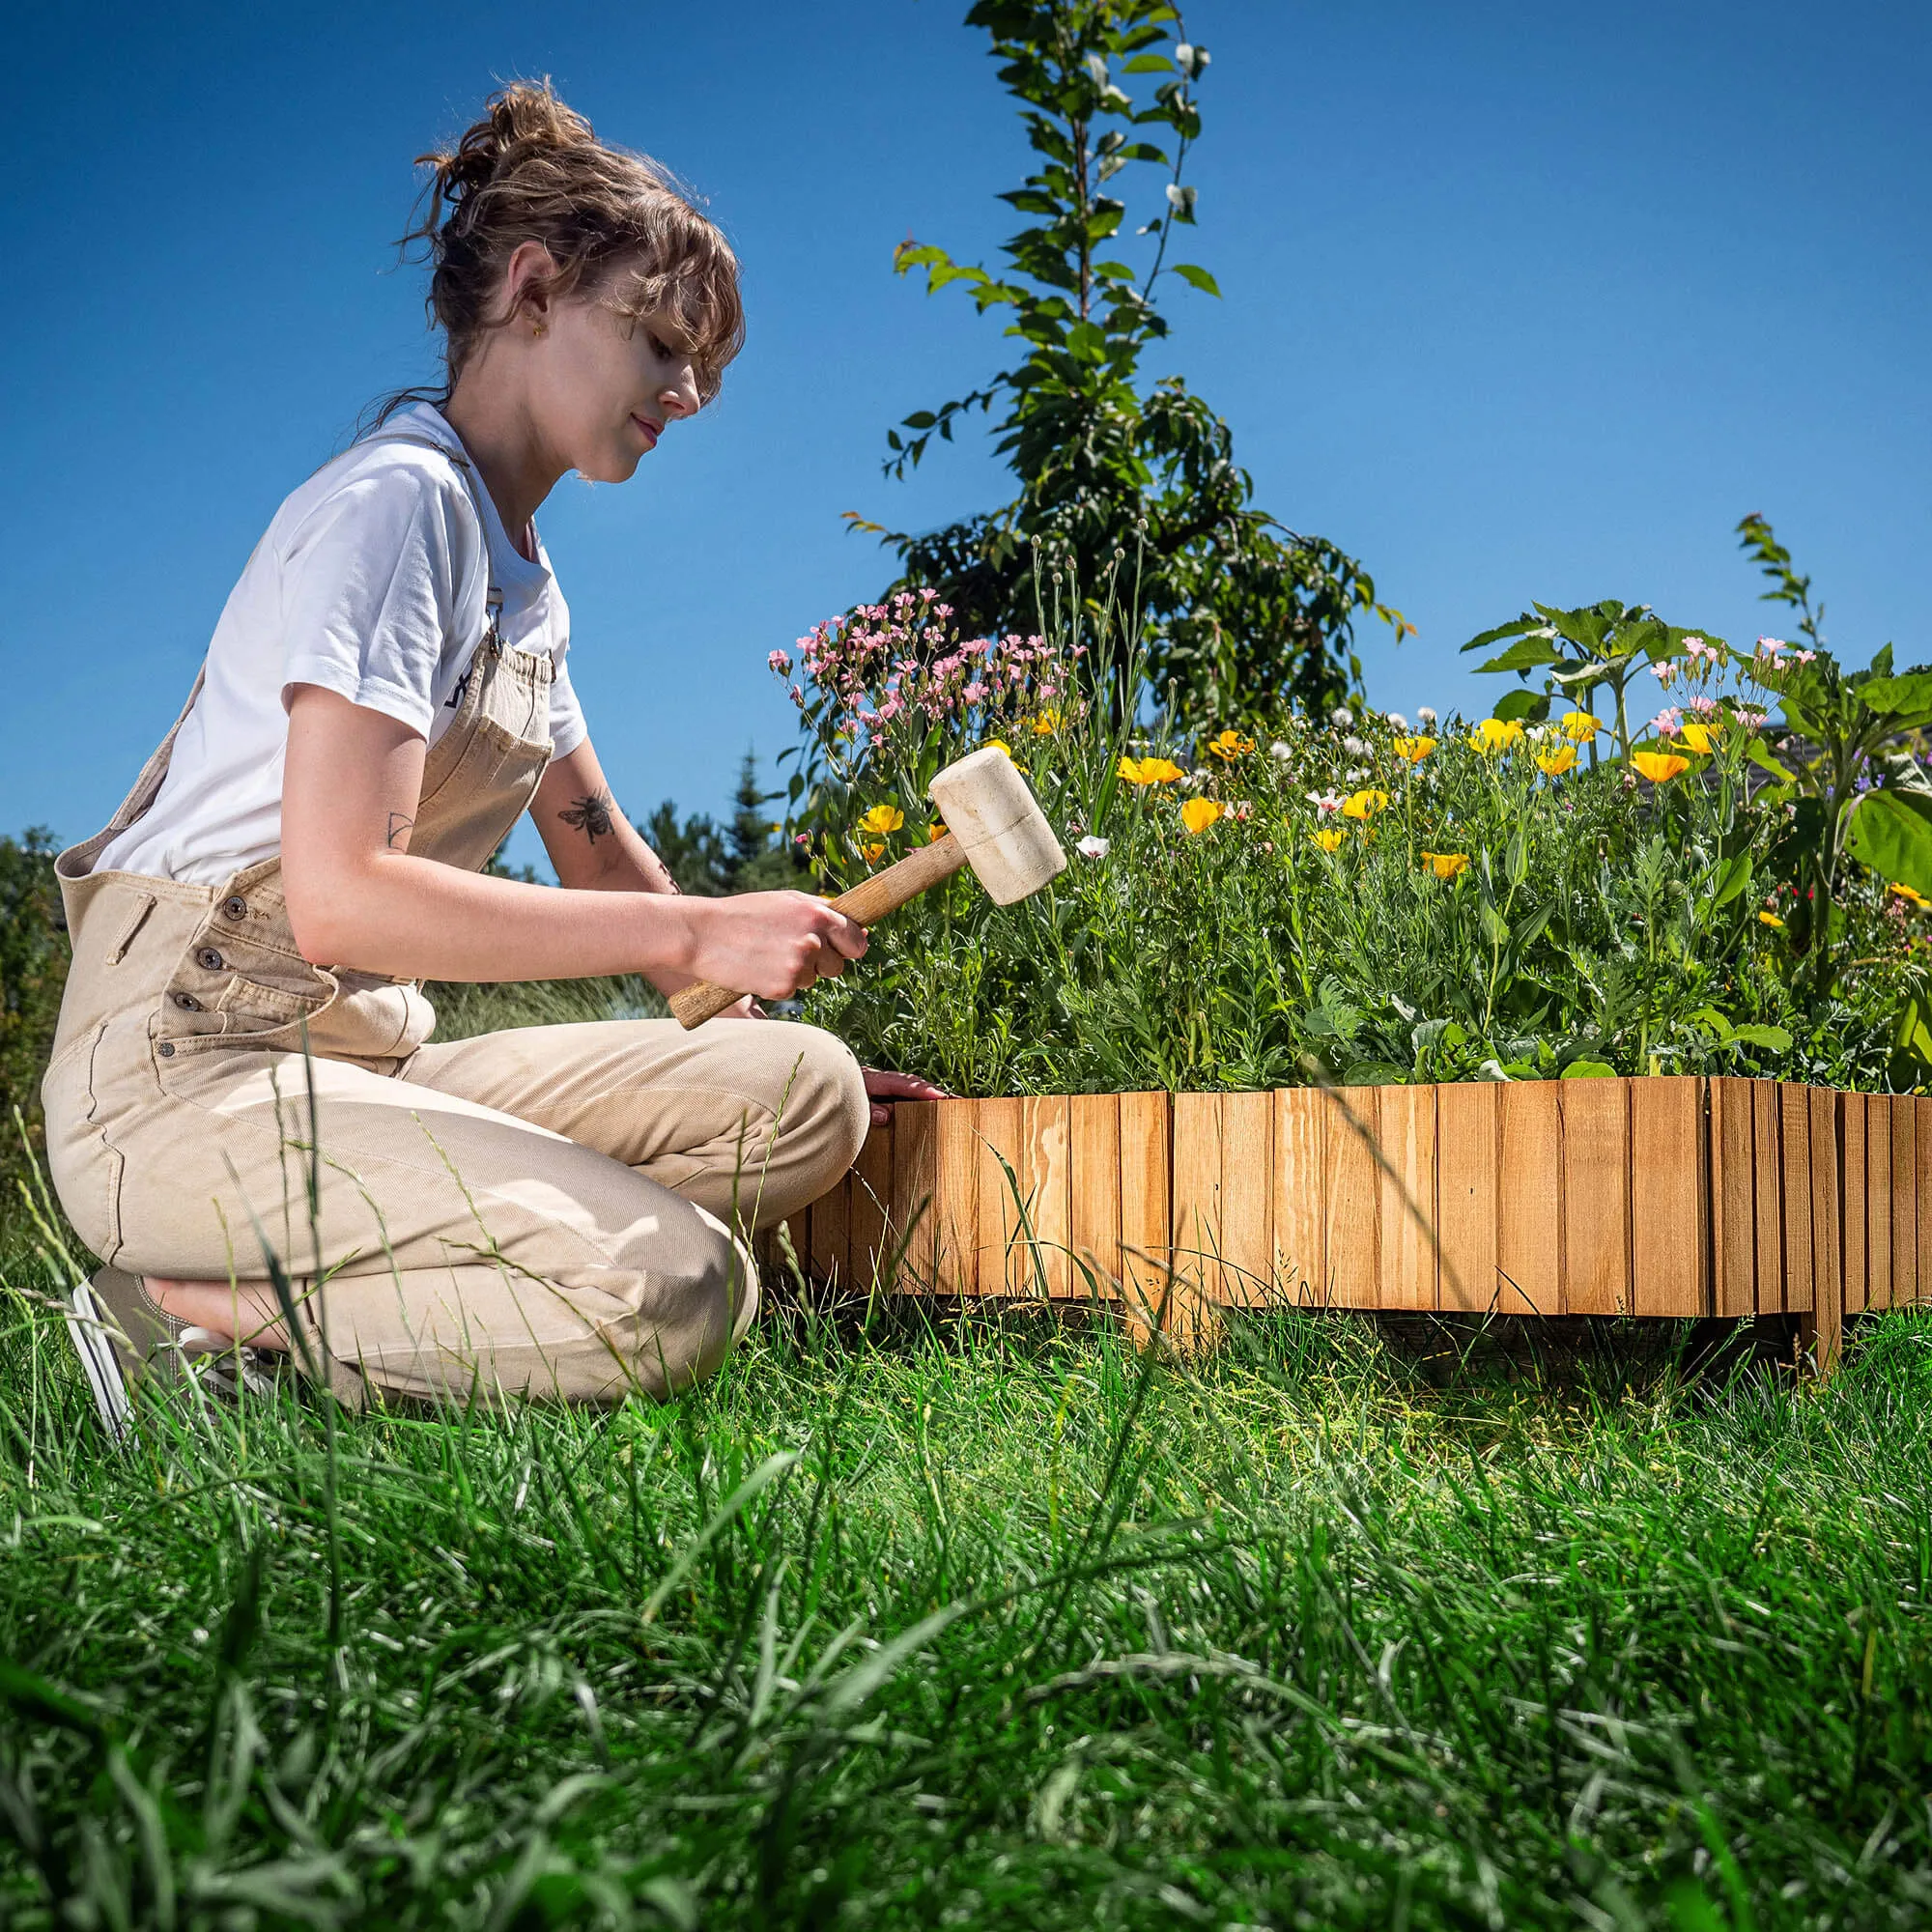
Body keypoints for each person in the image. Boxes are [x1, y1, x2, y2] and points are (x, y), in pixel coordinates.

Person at [47, 80, 938, 1427]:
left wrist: (727, 1001)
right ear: (532, 288)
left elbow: (605, 862)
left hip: (362, 1064)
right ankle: (179, 1319)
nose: (688, 393)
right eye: (658, 343)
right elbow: (343, 899)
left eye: (706, 368)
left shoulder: (527, 587)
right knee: (676, 1291)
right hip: (183, 1083)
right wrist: (704, 934)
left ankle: (417, 1270)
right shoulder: (400, 509)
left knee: (806, 1098)